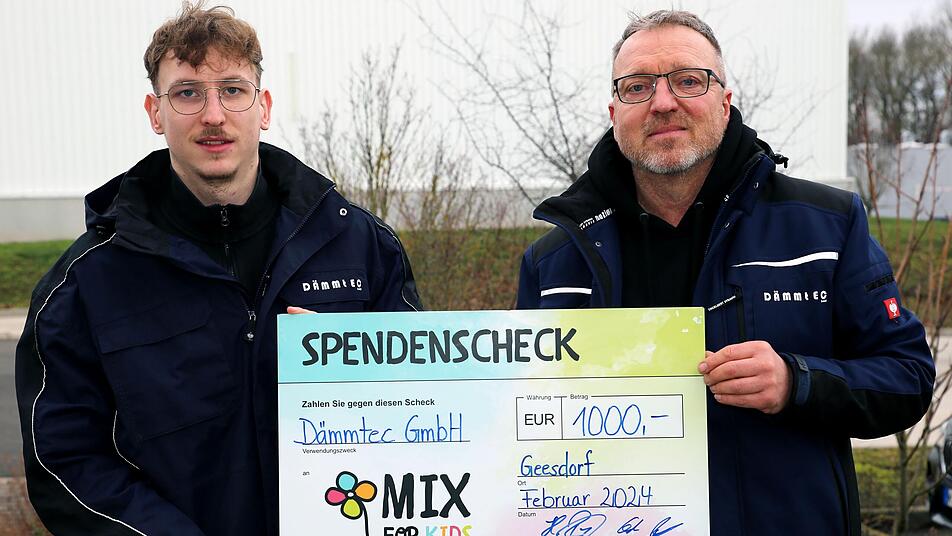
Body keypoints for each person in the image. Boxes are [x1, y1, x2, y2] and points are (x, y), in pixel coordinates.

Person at [516, 10, 934, 535]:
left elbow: (907, 376)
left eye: (688, 80)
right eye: (637, 86)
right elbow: (520, 424)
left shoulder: (825, 227)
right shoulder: (554, 262)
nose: (662, 102)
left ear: (725, 100)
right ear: (614, 110)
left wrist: (797, 382)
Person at [15, 3, 421, 535]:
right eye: (187, 93)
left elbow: (426, 410)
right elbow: (65, 462)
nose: (213, 114)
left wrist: (350, 371)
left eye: (233, 89)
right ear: (155, 113)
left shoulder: (362, 247)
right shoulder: (85, 284)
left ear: (263, 107)